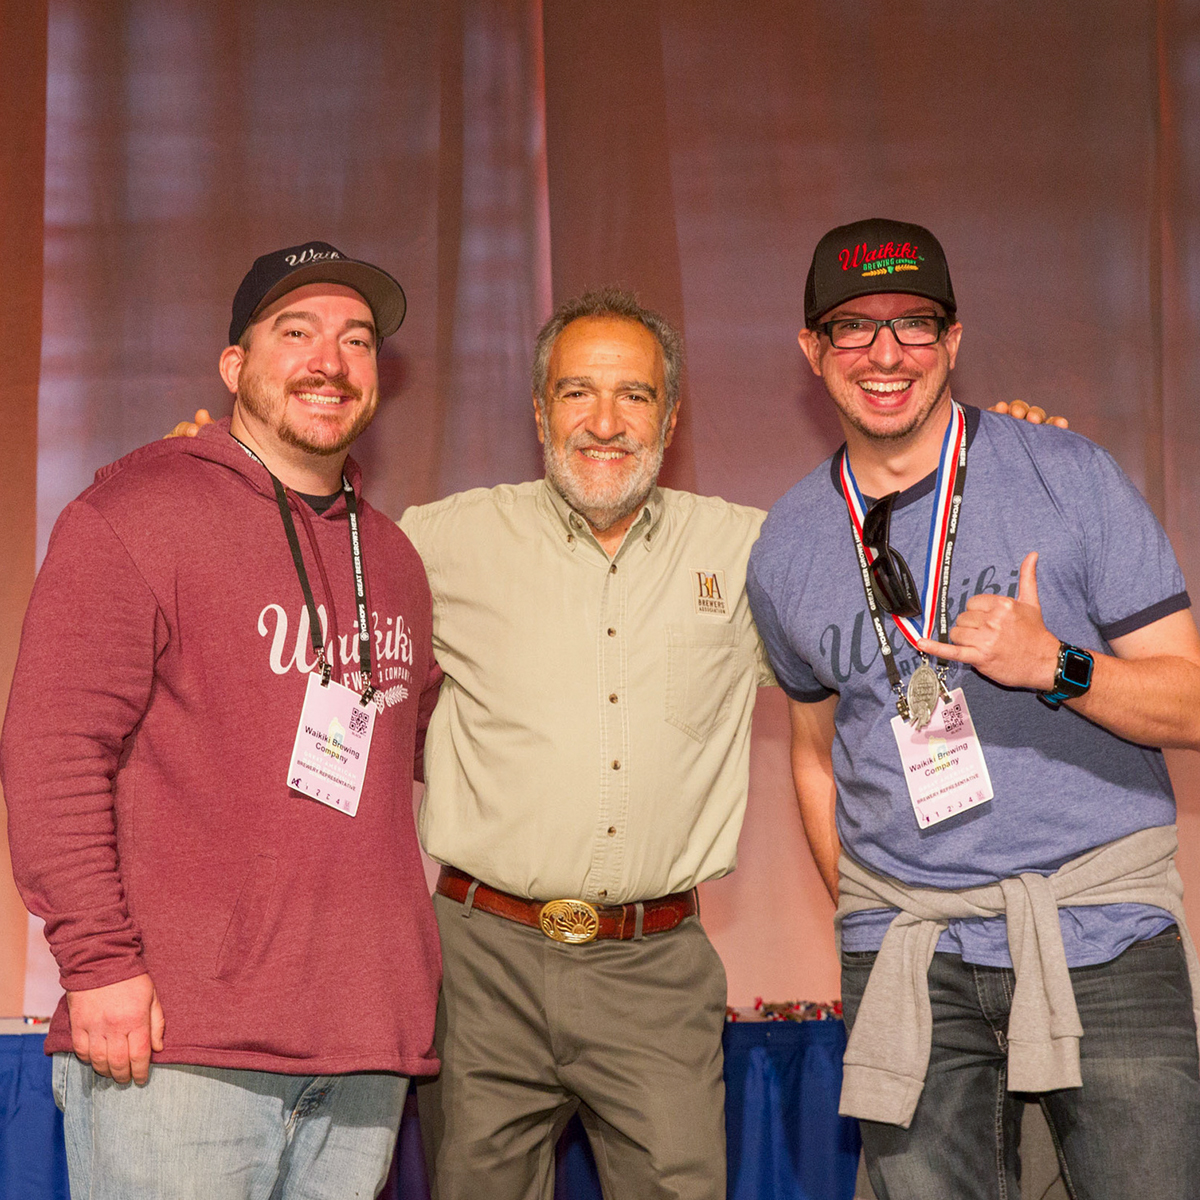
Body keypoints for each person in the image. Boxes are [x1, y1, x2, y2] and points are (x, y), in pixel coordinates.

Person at [171, 286, 1058, 1200]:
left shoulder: (755, 551)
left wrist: (997, 470)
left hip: (656, 968)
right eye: (575, 392)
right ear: (539, 409)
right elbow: (306, 583)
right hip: (479, 966)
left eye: (633, 396)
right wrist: (219, 473)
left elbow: (908, 610)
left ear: (669, 417)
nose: (604, 422)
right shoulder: (434, 544)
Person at [746, 217, 1200, 1199]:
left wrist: (1060, 667)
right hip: (911, 957)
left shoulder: (1067, 476)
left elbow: (1190, 698)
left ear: (954, 339)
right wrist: (870, 913)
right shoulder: (785, 545)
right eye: (853, 328)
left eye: (914, 324)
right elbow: (816, 754)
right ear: (811, 351)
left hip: (1103, 934)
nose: (885, 354)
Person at [1, 242, 443, 1200]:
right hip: (176, 1046)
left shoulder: (398, 560)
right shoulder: (133, 516)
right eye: (297, 332)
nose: (330, 359)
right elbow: (50, 756)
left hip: (361, 1054)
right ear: (236, 367)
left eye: (356, 339)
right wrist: (99, 963)